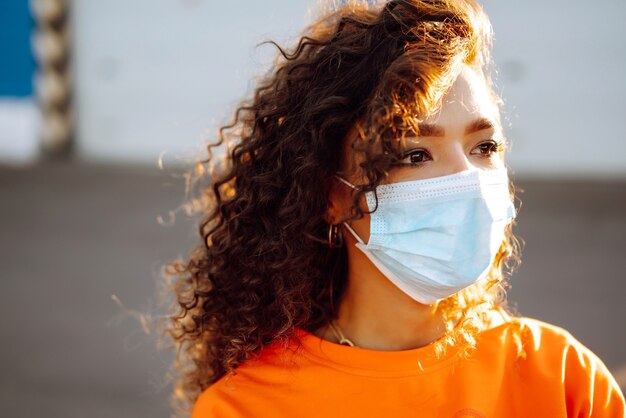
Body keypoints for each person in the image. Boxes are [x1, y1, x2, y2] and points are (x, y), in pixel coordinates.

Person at [163, 0, 626, 416]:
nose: (467, 178)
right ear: (331, 195)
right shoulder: (244, 407)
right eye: (414, 154)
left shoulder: (563, 379)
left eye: (484, 147)